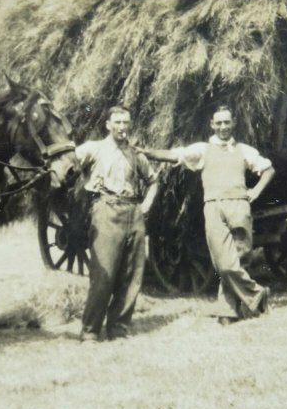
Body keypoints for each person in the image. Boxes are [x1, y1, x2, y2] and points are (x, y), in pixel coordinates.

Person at [138, 105, 275, 325]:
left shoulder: (244, 150)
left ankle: (228, 311)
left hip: (239, 206)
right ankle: (257, 293)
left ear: (233, 123)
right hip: (213, 207)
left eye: (226, 122)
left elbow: (268, 170)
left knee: (240, 259)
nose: (223, 127)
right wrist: (148, 153)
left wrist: (255, 191)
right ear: (212, 124)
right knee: (223, 263)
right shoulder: (203, 149)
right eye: (218, 123)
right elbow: (176, 156)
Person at [74, 106, 157, 342]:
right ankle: (90, 331)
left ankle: (118, 329)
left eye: (126, 123)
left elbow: (153, 181)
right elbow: (71, 161)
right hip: (106, 209)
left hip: (133, 211)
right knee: (104, 275)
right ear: (108, 125)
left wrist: (145, 206)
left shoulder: (135, 154)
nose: (122, 127)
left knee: (132, 275)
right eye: (118, 122)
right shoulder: (95, 149)